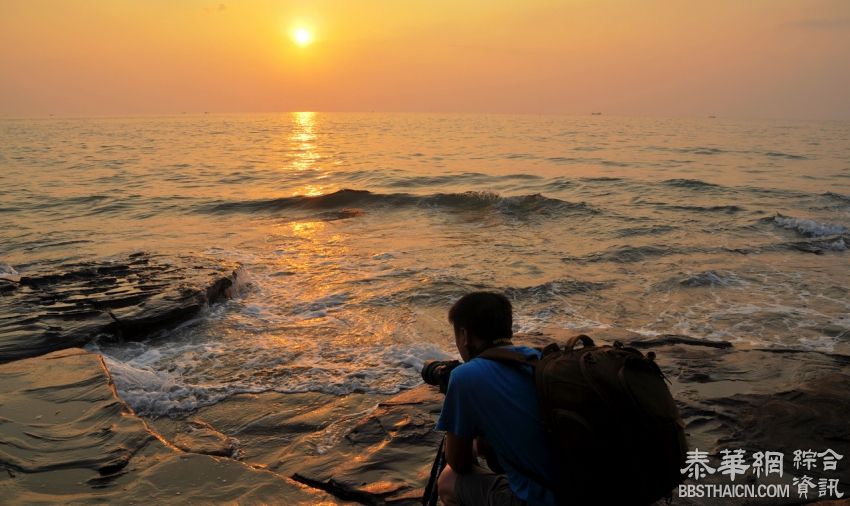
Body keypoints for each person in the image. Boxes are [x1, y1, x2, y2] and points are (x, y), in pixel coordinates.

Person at [435, 292, 557, 506]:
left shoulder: (465, 376)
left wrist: (469, 439)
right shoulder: (539, 360)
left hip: (539, 500)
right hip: (582, 489)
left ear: (464, 335)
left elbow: (458, 463)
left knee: (447, 481)